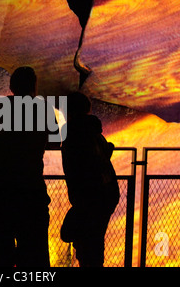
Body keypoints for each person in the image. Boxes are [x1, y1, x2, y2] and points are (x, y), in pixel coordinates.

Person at [0, 66, 60, 267]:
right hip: (31, 190)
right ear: (34, 86)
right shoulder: (44, 109)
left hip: (1, 189)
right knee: (35, 255)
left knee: (3, 255)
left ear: (12, 86)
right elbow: (55, 142)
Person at [60, 92, 119, 267]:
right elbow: (97, 159)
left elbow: (81, 165)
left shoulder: (72, 134)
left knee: (86, 245)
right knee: (93, 243)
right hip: (105, 194)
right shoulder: (94, 132)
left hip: (88, 197)